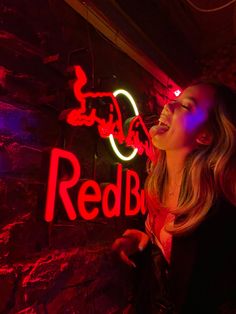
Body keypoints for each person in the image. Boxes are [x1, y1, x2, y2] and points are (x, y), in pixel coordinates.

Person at [112, 81, 236, 314]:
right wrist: (147, 242)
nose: (169, 105)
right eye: (174, 101)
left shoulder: (222, 213)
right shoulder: (155, 187)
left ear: (205, 135)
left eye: (186, 106)